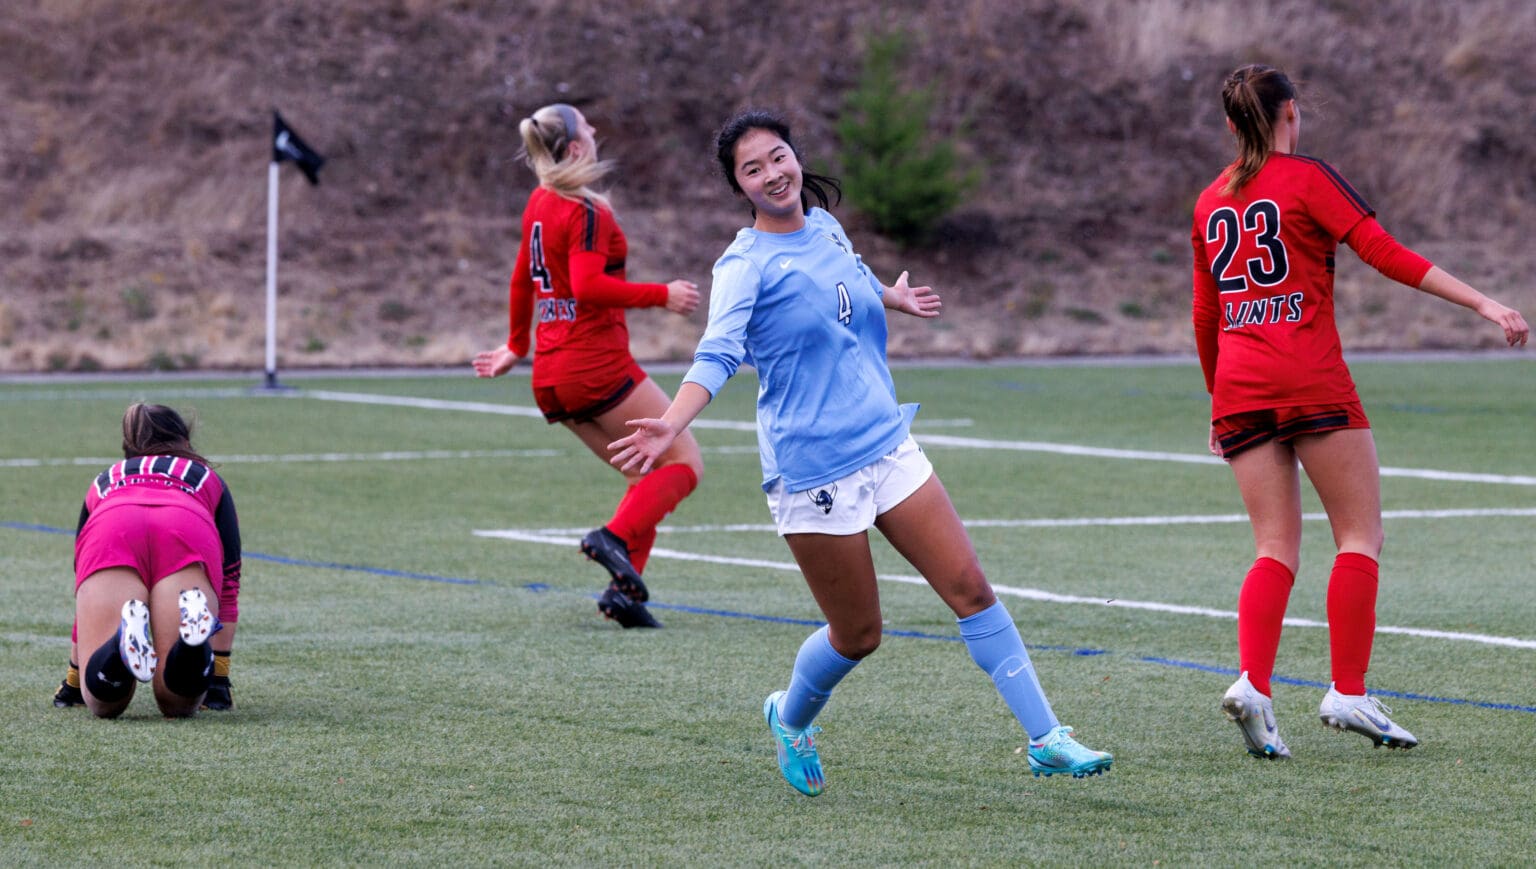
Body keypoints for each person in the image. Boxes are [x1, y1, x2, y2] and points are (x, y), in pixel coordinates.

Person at [609, 109, 1112, 796]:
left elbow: (848, 275)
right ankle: (790, 718)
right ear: (739, 187)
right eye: (752, 168)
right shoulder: (743, 267)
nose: (773, 173)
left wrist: (889, 297)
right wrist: (669, 423)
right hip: (814, 469)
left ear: (795, 156)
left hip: (887, 440)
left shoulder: (824, 224)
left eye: (778, 156)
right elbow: (719, 352)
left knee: (971, 590)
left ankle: (1046, 737)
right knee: (859, 633)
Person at [1191, 64, 1529, 759]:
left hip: (1239, 386)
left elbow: (1206, 314)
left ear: (1231, 125)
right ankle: (1347, 688)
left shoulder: (1208, 201)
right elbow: (1386, 253)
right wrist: (1483, 302)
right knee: (1359, 535)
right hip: (1309, 379)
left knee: (1273, 547)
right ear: (1291, 112)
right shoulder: (1311, 178)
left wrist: (1216, 397)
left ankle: (1253, 683)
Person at [473, 102, 704, 630]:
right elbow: (588, 286)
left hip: (551, 376)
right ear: (576, 148)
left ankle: (624, 594)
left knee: (643, 469)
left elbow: (519, 279)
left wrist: (515, 344)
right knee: (684, 462)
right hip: (593, 364)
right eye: (587, 124)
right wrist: (661, 295)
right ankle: (613, 540)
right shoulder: (587, 210)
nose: (597, 128)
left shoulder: (540, 199)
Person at [71, 403, 243, 718]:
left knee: (104, 704)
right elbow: (230, 581)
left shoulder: (105, 480)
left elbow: (82, 587)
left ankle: (118, 646)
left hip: (113, 525)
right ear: (185, 441)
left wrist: (73, 679)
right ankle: (192, 645)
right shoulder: (205, 477)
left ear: (128, 449)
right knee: (177, 704)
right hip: (184, 527)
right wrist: (218, 677)